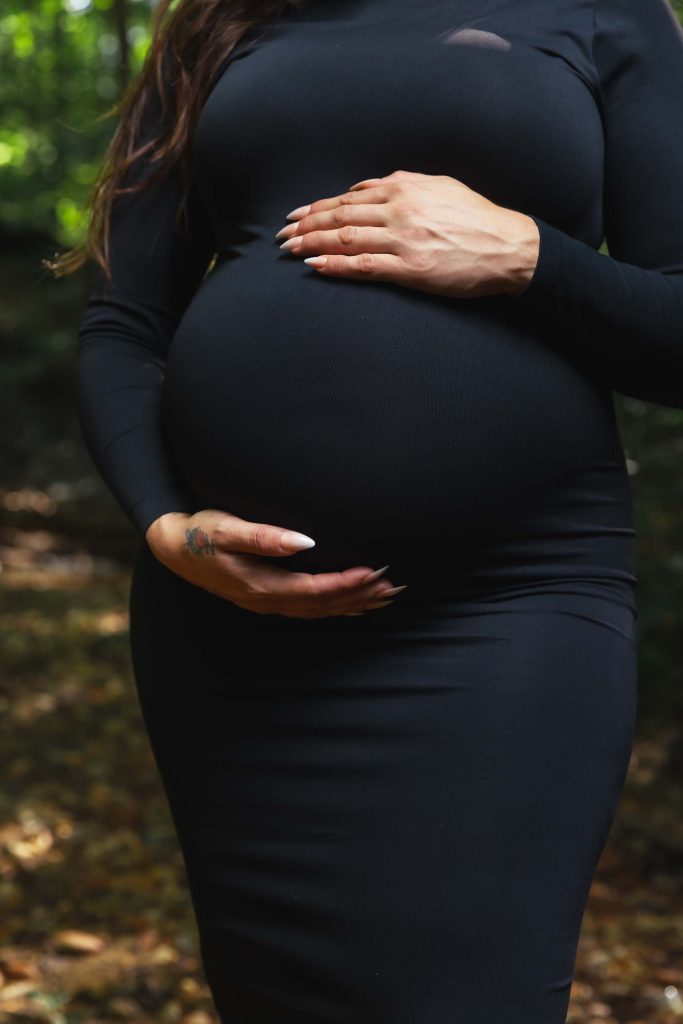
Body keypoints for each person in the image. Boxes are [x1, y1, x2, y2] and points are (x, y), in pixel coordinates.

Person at [51, 0, 683, 1019]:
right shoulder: (216, 19)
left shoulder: (602, 13)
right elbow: (124, 324)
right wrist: (165, 524)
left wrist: (528, 255)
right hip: (231, 630)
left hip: (506, 612)